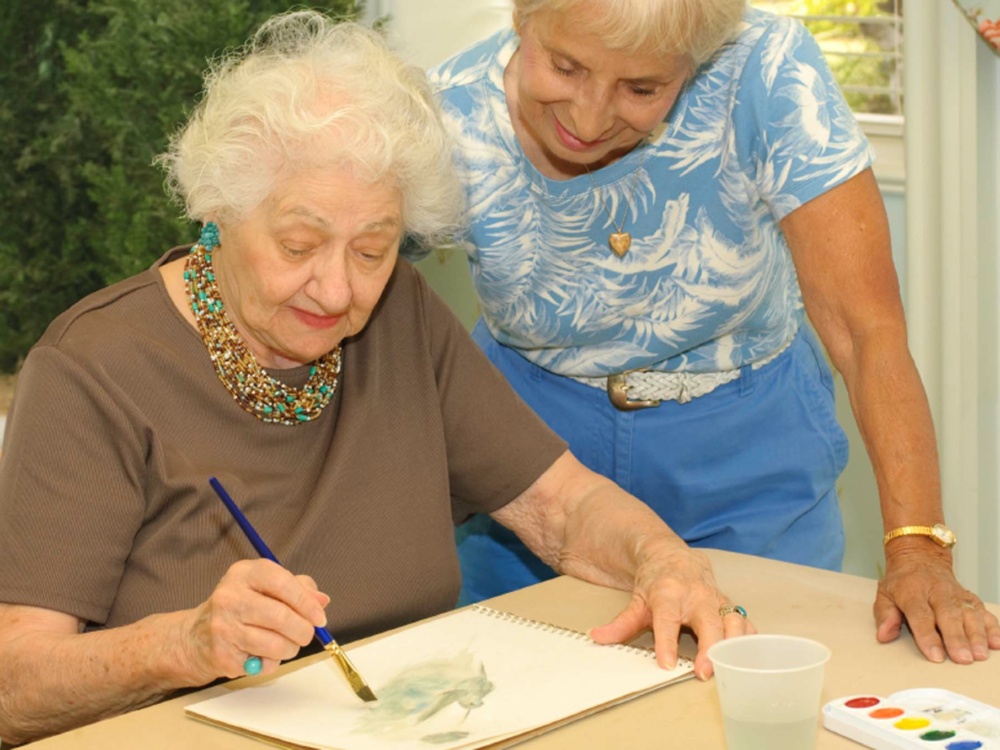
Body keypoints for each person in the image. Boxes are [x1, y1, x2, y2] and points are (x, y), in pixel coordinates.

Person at [0, 11, 752, 745]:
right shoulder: (94, 370)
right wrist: (181, 646)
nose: (335, 290)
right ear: (219, 212)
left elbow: (560, 505)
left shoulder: (401, 317)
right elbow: (13, 685)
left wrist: (664, 562)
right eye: (299, 244)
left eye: (371, 249)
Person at [422, 0, 1000, 665]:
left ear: (698, 62)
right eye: (565, 66)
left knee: (761, 694)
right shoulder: (447, 114)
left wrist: (918, 546)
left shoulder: (765, 68)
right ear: (525, 19)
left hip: (748, 450)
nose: (587, 116)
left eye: (641, 88)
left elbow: (865, 330)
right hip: (535, 462)